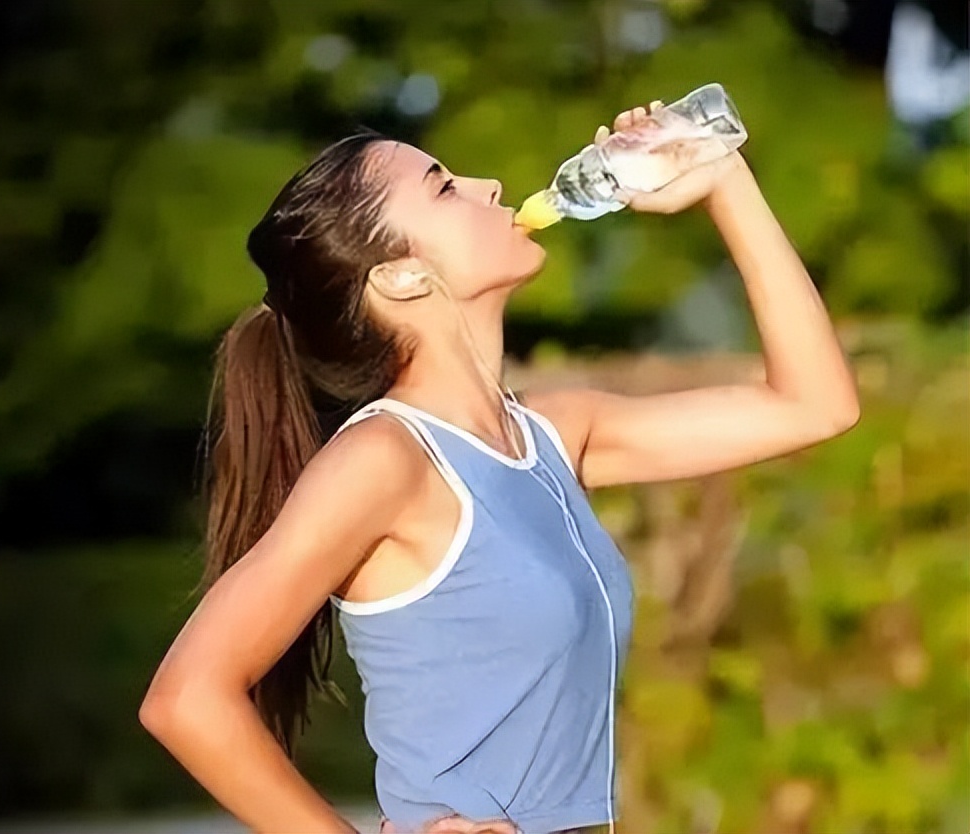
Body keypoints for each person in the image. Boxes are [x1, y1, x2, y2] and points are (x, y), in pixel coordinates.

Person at [138, 101, 861, 834]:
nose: (488, 186)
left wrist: (723, 180)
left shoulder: (553, 434)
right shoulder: (385, 459)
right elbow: (187, 697)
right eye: (444, 187)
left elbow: (815, 405)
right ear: (401, 278)